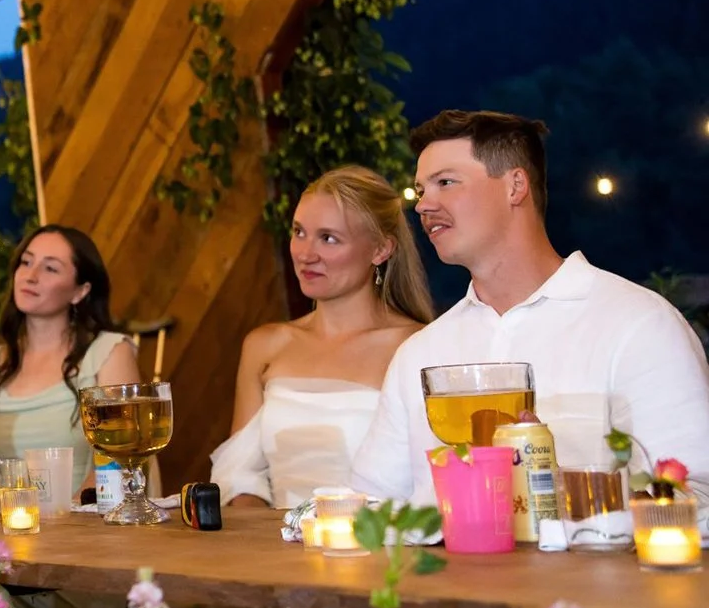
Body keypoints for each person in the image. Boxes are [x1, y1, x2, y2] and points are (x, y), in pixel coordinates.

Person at [350, 110, 709, 515]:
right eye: (421, 189)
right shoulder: (420, 354)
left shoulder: (640, 325)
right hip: (444, 578)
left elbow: (697, 496)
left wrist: (568, 499)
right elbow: (370, 509)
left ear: (515, 185)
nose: (423, 205)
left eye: (446, 183)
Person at [211, 166, 433, 509]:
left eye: (328, 238)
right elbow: (238, 474)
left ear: (380, 250)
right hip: (275, 550)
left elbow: (434, 480)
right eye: (299, 232)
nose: (305, 253)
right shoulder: (266, 345)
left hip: (380, 550)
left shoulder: (416, 348)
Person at [0, 225, 141, 499]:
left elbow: (122, 463)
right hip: (5, 531)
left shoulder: (109, 353)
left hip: (88, 529)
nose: (31, 276)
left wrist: (61, 523)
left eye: (50, 268)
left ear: (80, 291)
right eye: (26, 262)